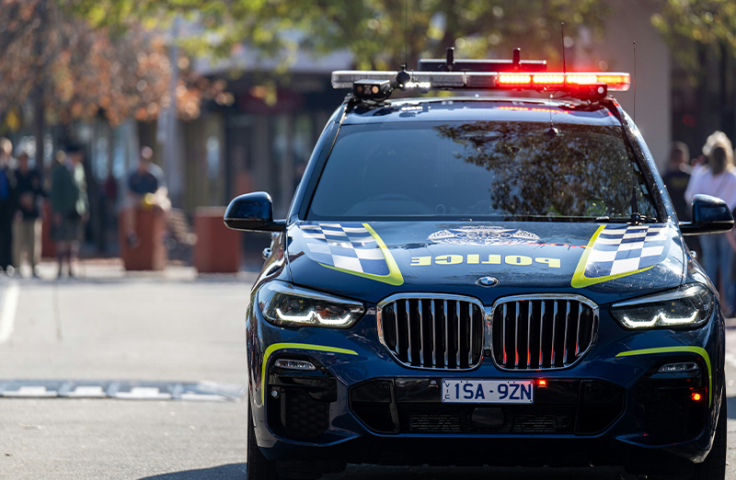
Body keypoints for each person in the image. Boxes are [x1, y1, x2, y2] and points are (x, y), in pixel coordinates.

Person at [685, 133, 736, 314]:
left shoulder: (702, 174)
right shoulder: (732, 176)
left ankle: (712, 306)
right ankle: (728, 306)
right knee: (726, 265)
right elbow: (732, 202)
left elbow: (690, 196)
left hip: (706, 225)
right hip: (726, 226)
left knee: (710, 265)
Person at [50, 146, 88, 278]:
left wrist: (85, 208)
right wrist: (57, 211)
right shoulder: (60, 170)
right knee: (62, 240)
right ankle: (60, 267)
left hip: (76, 209)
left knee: (74, 240)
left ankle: (71, 266)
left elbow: (83, 191)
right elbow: (55, 193)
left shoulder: (79, 169)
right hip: (64, 209)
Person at [123, 146, 170, 248]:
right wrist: (138, 198)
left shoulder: (156, 172)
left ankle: (164, 235)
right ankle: (131, 235)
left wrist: (157, 197)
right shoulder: (132, 173)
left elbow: (163, 189)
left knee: (166, 205)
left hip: (153, 200)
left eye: (147, 160)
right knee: (128, 205)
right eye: (142, 159)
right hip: (137, 200)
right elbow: (128, 192)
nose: (144, 162)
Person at [13, 152, 45, 277]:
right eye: (21, 159)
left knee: (34, 241)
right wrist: (21, 200)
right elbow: (12, 194)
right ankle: (17, 266)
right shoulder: (15, 174)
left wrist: (32, 198)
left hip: (33, 213)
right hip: (19, 213)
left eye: (25, 159)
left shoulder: (35, 174)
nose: (23, 161)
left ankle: (34, 266)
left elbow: (42, 191)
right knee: (18, 241)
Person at [0, 138, 18, 275]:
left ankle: (7, 263)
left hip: (7, 207)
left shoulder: (11, 170)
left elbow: (15, 191)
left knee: (8, 236)